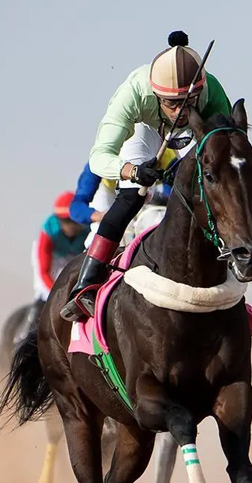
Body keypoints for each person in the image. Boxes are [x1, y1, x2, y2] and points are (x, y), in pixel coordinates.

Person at [60, 30, 233, 322]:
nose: (179, 111)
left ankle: (229, 263)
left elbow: (227, 145)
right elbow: (98, 157)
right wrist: (132, 171)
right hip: (144, 126)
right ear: (155, 94)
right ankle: (86, 284)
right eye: (172, 103)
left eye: (188, 101)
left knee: (208, 184)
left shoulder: (211, 90)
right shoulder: (132, 94)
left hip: (194, 130)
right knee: (131, 196)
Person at [31, 192, 88, 303]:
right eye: (66, 221)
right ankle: (35, 314)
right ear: (58, 219)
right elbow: (44, 272)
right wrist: (58, 294)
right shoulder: (49, 229)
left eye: (74, 220)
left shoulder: (88, 229)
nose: (71, 225)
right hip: (53, 257)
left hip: (75, 255)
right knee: (43, 290)